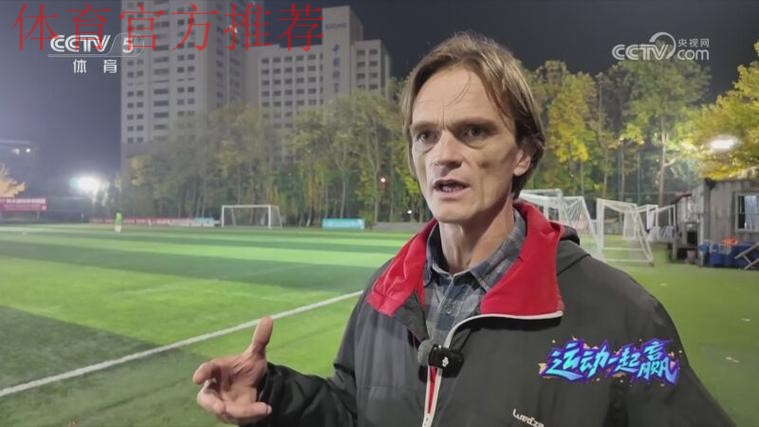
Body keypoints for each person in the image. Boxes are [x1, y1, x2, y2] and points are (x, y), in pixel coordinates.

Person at [193, 33, 734, 427]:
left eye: (473, 131)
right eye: (425, 135)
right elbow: (353, 409)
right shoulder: (387, 292)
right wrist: (273, 392)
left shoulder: (620, 317)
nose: (443, 155)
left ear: (523, 153)